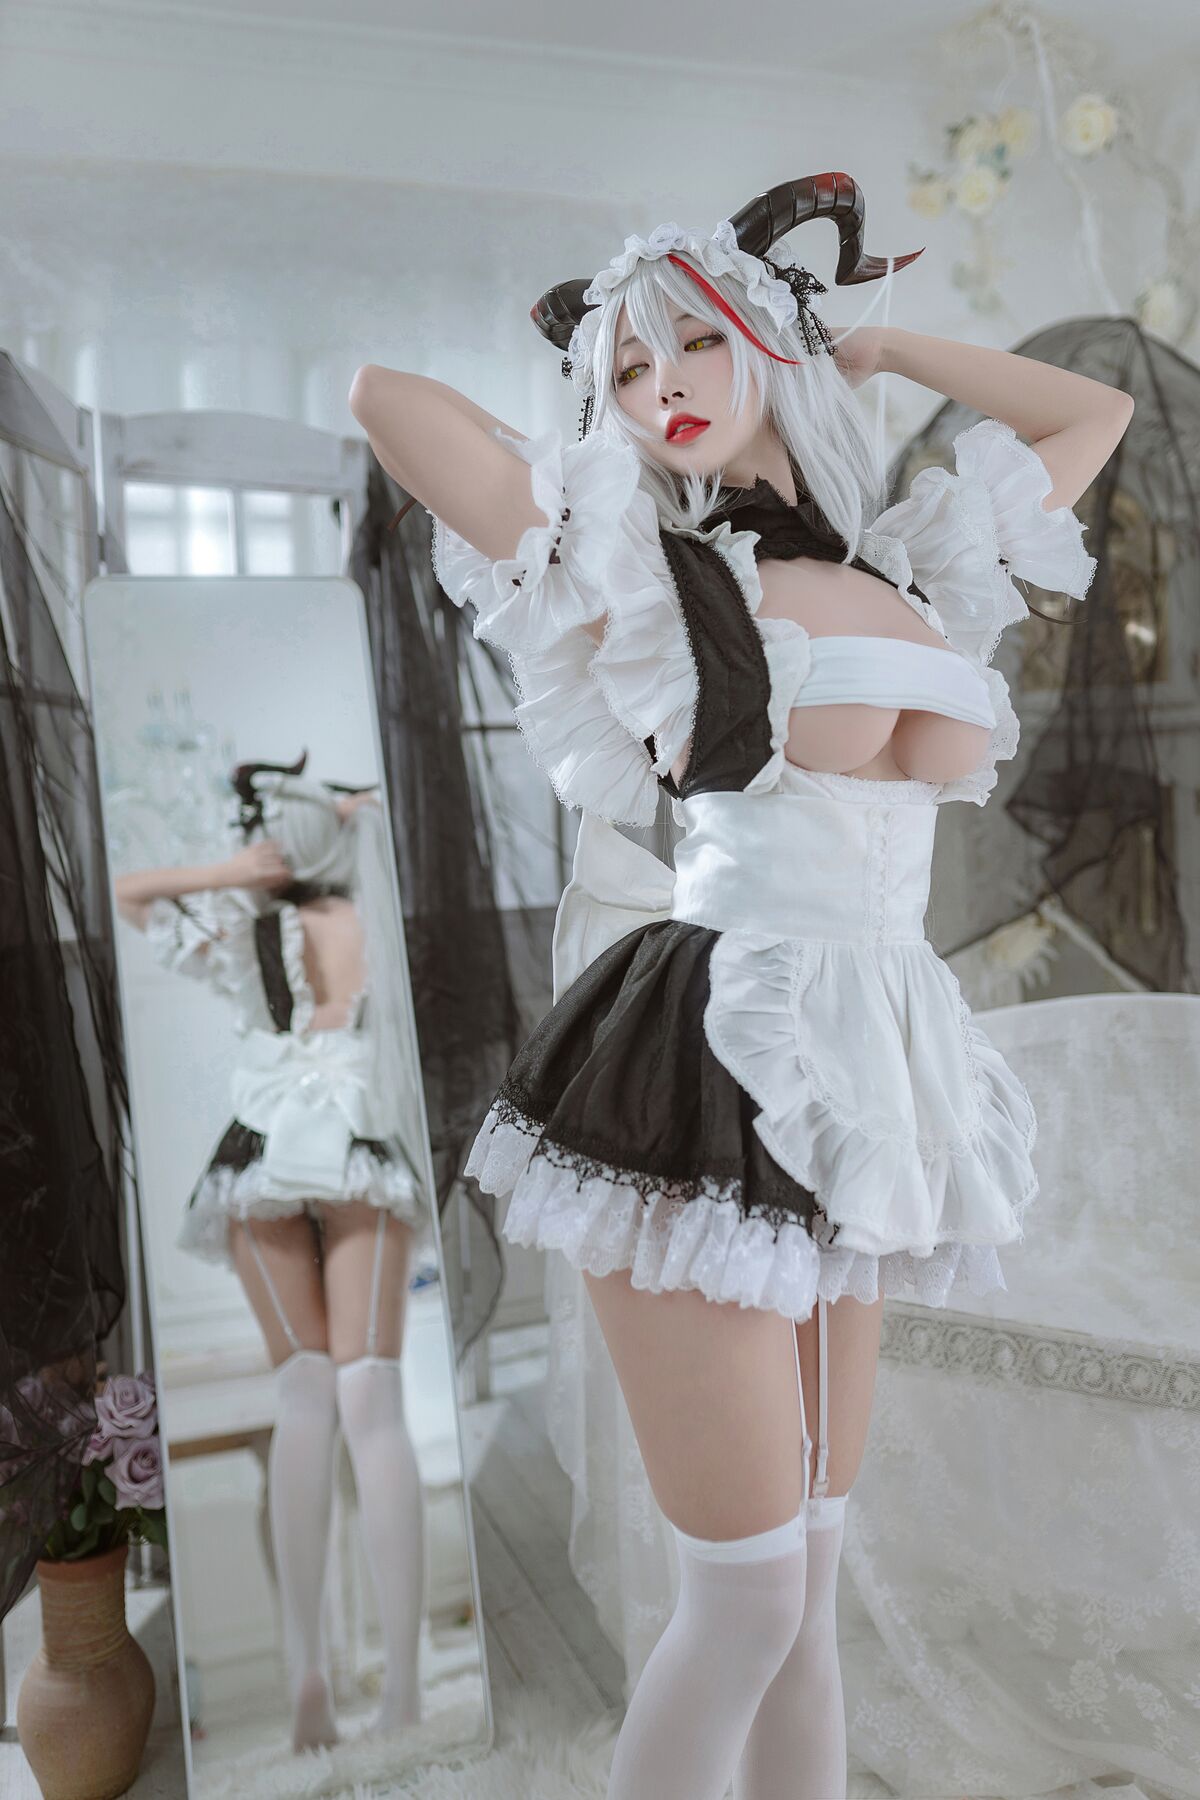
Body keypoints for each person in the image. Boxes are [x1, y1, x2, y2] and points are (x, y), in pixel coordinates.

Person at [349, 170, 1133, 1799]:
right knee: (748, 1596)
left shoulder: (924, 566)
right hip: (701, 1054)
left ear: (771, 343)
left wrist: (881, 344)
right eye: (631, 370)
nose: (664, 392)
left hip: (870, 1067)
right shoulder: (637, 569)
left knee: (811, 1592)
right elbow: (382, 398)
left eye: (693, 346)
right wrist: (583, 436)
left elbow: (1094, 412)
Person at [115, 758, 434, 1752]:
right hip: (358, 1149)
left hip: (258, 1157)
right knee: (371, 1399)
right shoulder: (377, 925)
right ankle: (403, 1690)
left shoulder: (244, 932)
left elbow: (129, 894)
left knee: (304, 1396)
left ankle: (308, 1680)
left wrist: (229, 873)